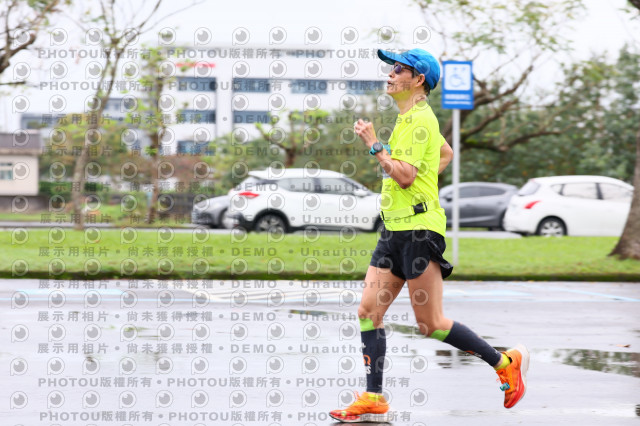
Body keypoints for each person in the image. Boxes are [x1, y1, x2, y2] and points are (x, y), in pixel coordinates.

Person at [329, 48, 529, 423]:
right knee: (369, 312)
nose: (390, 74)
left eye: (398, 69)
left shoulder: (420, 120)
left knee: (430, 323)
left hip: (419, 233)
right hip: (394, 230)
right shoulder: (410, 118)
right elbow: (445, 153)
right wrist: (422, 177)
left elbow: (404, 176)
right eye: (390, 68)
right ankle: (373, 397)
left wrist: (375, 145)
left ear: (418, 79)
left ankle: (505, 362)